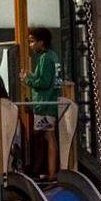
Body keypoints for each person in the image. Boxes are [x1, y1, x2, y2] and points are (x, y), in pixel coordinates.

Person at [22, 27, 61, 182]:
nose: (31, 45)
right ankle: (47, 170)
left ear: (41, 42)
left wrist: (27, 79)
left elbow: (44, 82)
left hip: (44, 104)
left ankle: (48, 171)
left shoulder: (45, 58)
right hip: (49, 102)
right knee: (46, 136)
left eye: (32, 41)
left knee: (46, 136)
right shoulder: (53, 56)